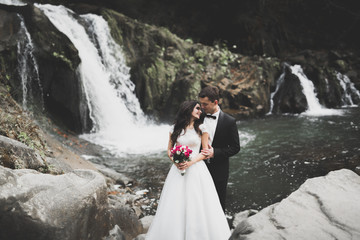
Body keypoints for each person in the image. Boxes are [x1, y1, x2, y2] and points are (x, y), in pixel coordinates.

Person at [146, 100, 231, 240]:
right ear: (188, 109)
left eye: (200, 109)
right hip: (178, 170)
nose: (200, 111)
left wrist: (190, 163)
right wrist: (177, 161)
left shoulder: (202, 129)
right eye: (197, 108)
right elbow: (169, 150)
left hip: (197, 169)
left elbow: (204, 152)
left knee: (198, 201)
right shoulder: (174, 129)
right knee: (175, 202)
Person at [199, 86, 240, 211]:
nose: (202, 107)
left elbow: (235, 147)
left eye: (205, 104)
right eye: (201, 104)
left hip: (219, 170)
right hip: (198, 168)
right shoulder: (198, 117)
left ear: (215, 102)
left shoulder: (229, 121)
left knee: (218, 204)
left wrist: (215, 152)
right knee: (199, 202)